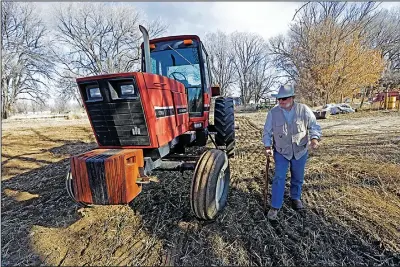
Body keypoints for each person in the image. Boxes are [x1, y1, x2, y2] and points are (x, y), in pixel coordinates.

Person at [262, 84, 322, 221]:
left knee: (298, 177)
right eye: (279, 99)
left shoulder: (304, 110)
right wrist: (267, 146)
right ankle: (275, 206)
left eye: (284, 99)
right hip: (281, 151)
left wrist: (314, 139)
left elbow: (314, 126)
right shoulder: (273, 113)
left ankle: (295, 198)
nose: (281, 102)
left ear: (292, 98)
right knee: (279, 178)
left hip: (300, 150)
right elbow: (267, 132)